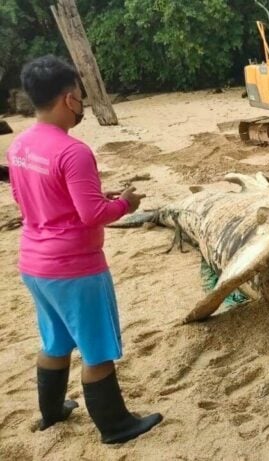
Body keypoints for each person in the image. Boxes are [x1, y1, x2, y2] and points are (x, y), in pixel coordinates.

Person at [6, 55, 162, 443]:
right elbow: (94, 214)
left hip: (35, 263)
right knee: (96, 349)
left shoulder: (20, 146)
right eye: (79, 94)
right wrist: (125, 202)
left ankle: (52, 412)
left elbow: (28, 197)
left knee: (55, 341)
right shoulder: (73, 151)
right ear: (68, 97)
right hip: (75, 268)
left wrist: (91, 197)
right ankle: (116, 426)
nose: (82, 102)